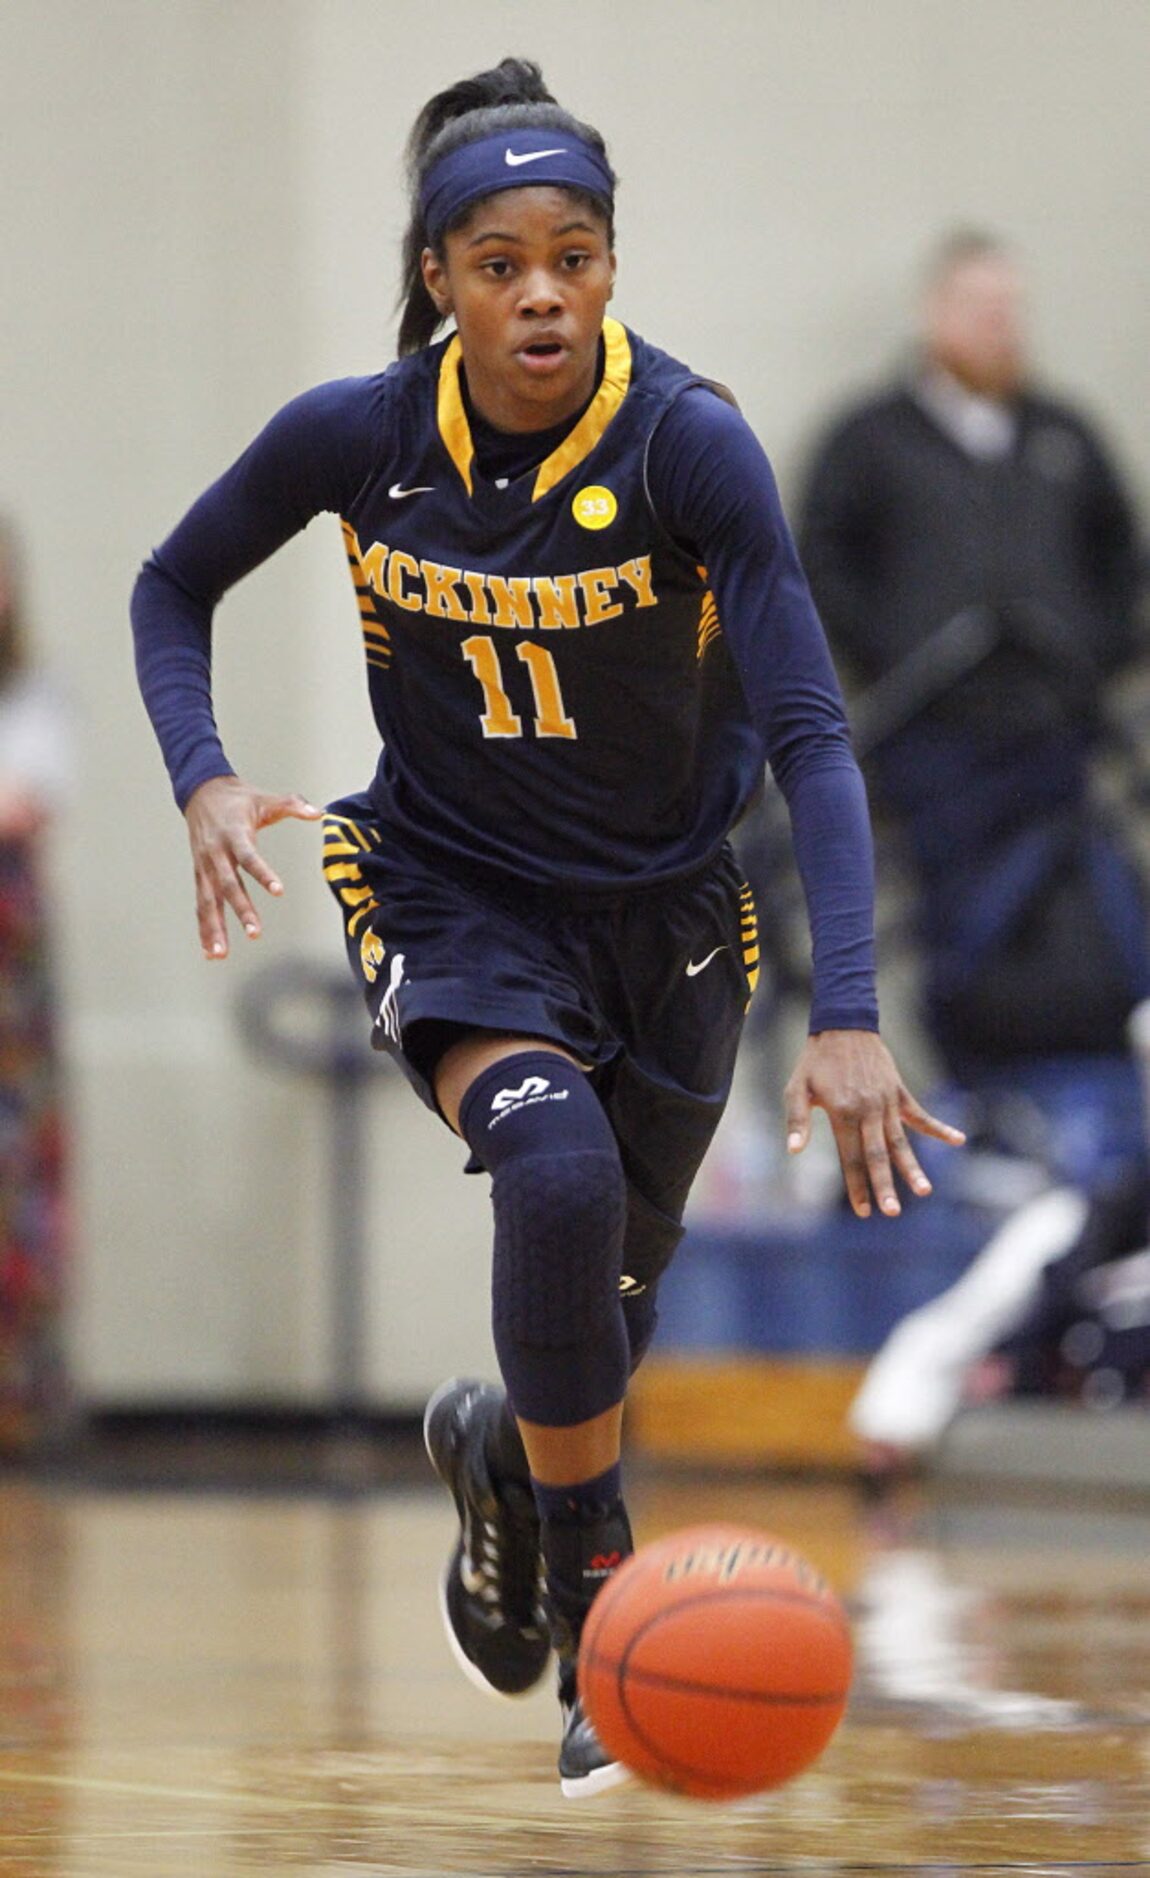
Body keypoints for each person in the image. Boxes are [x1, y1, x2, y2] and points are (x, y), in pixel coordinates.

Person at [132, 58, 963, 1796]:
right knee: (558, 1181)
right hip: (445, 885)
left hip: (667, 917)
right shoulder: (355, 436)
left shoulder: (688, 440)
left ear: (608, 266)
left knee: (605, 1308)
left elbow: (812, 730)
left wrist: (852, 1007)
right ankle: (600, 1605)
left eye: (574, 257)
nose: (543, 294)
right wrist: (204, 774)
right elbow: (171, 582)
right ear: (440, 275)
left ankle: (506, 1457)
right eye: (502, 261)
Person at [798, 231, 1149, 1133]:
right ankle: (975, 1106)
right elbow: (821, 561)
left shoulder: (1062, 434)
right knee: (961, 932)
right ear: (935, 314)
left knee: (1080, 917)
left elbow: (1124, 560)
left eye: (1011, 310)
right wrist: (893, 655)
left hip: (1058, 745)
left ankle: (1083, 1116)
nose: (1000, 328)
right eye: (981, 309)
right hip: (934, 748)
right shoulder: (870, 440)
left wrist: (1091, 653)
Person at [0, 516, 71, 1455]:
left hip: (10, 978)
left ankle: (16, 1401)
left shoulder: (35, 700)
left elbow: (23, 807)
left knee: (15, 1171)